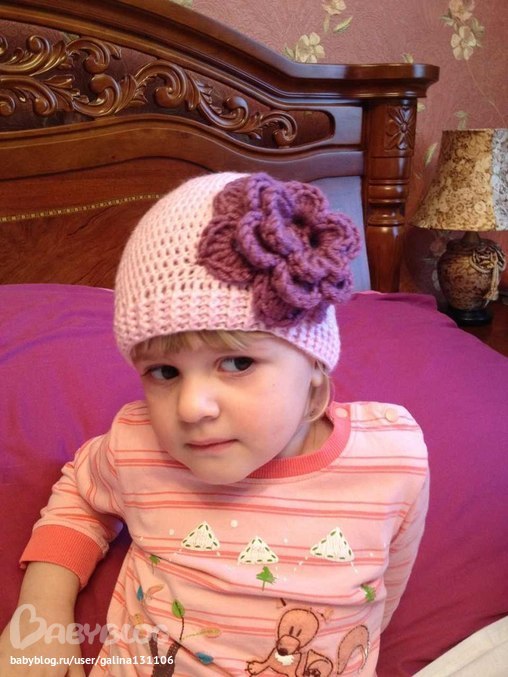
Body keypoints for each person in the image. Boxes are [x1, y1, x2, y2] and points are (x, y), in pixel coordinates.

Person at [0, 172, 429, 676]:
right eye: (165, 372)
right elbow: (79, 495)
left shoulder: (392, 462)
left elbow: (384, 595)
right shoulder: (137, 446)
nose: (191, 407)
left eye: (237, 363)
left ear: (314, 367)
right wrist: (42, 615)